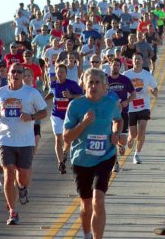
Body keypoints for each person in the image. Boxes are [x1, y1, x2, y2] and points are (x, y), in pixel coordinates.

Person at [0, 63, 47, 225]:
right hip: (5, 139)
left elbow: (44, 112)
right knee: (8, 173)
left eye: (20, 72)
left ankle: (23, 188)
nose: (17, 74)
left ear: (23, 75)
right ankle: (12, 211)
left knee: (23, 177)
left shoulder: (31, 92)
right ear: (8, 75)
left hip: (25, 141)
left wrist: (31, 117)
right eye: (14, 71)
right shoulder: (0, 93)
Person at [63, 68, 123, 239]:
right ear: (84, 85)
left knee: (98, 199)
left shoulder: (110, 103)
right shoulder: (76, 106)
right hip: (81, 159)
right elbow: (67, 137)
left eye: (97, 82)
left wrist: (116, 133)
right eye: (91, 83)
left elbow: (118, 119)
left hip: (105, 156)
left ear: (104, 86)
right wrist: (83, 124)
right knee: (86, 204)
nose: (94, 86)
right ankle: (87, 234)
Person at [45, 64, 83, 174]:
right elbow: (51, 94)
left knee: (67, 139)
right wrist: (42, 100)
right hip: (56, 115)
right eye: (58, 72)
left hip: (69, 116)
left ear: (66, 73)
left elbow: (82, 96)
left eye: (62, 72)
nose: (60, 74)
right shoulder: (54, 84)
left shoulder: (72, 84)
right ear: (56, 73)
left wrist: (70, 95)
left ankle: (65, 152)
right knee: (58, 138)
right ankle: (60, 162)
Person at [123, 53, 158, 164]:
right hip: (131, 107)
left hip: (144, 106)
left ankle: (137, 154)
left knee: (142, 129)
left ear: (142, 61)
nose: (137, 61)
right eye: (135, 59)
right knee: (133, 134)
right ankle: (130, 138)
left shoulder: (147, 75)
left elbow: (155, 89)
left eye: (139, 59)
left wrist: (154, 92)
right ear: (132, 61)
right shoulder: (126, 75)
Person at [107, 58, 136, 172]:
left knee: (122, 140)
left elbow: (133, 94)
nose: (115, 67)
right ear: (110, 65)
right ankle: (115, 163)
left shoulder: (125, 80)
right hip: (109, 113)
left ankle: (121, 145)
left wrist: (127, 101)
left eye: (118, 65)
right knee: (112, 138)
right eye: (114, 65)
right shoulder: (106, 80)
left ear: (120, 67)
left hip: (123, 113)